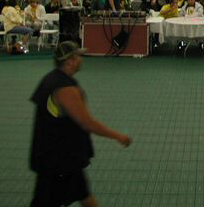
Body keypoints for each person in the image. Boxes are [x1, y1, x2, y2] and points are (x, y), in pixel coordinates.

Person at [29, 41, 132, 207]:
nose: (81, 59)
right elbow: (87, 123)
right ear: (69, 61)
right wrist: (118, 136)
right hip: (58, 159)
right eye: (77, 56)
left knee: (83, 196)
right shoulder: (65, 89)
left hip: (56, 154)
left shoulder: (50, 79)